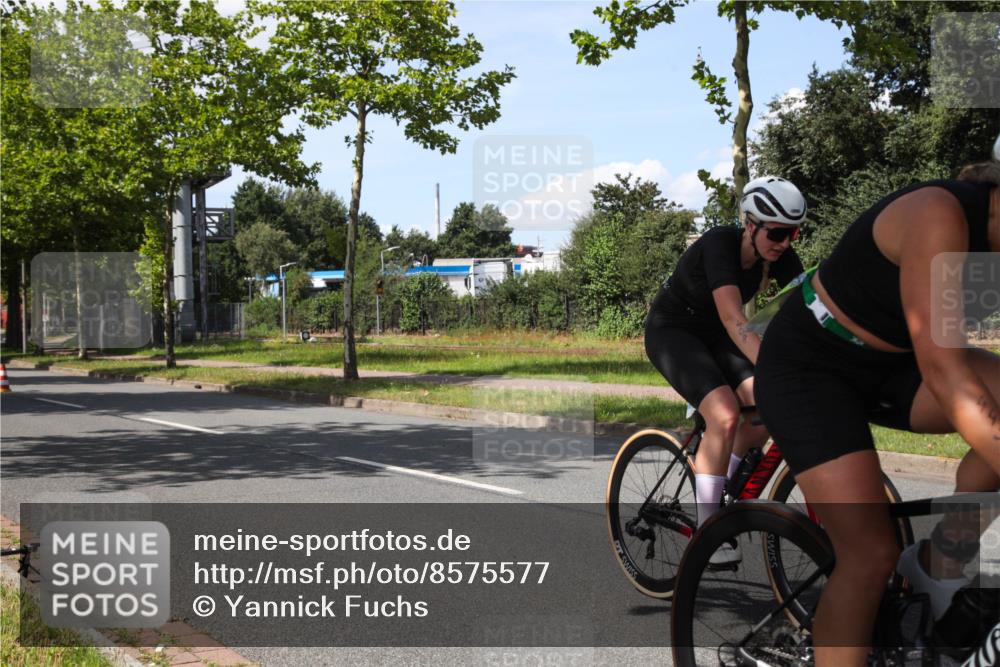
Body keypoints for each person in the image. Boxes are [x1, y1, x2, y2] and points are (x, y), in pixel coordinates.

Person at [754, 162, 1000, 666]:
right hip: (811, 365)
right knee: (868, 555)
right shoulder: (940, 214)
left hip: (892, 363)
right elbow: (948, 377)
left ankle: (938, 565)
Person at [644, 176, 807, 563]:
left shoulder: (781, 255)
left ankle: (718, 479)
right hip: (673, 331)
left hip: (715, 335)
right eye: (778, 232)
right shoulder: (719, 244)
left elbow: (809, 310)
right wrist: (777, 367)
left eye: (793, 233)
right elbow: (736, 320)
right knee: (725, 414)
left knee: (767, 407)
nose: (785, 243)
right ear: (751, 225)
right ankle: (707, 532)